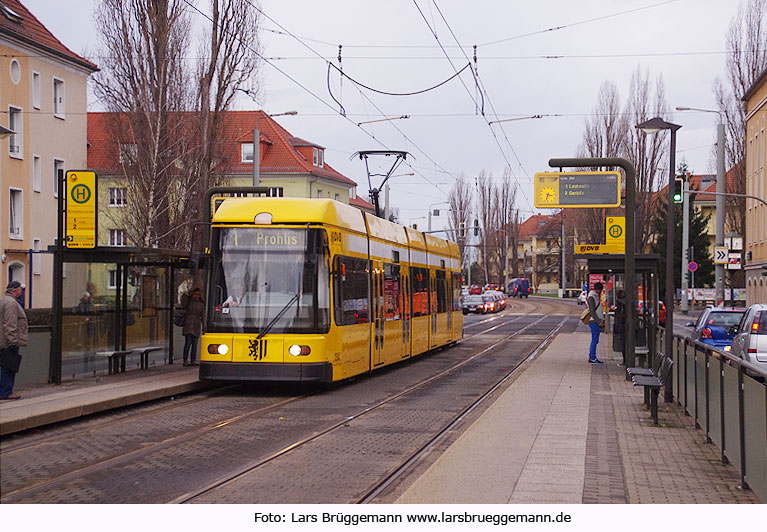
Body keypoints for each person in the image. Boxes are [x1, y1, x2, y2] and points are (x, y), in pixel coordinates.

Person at [0, 281, 28, 400]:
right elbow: (10, 323)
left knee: (4, 366)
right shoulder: (11, 303)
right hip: (8, 341)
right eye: (20, 289)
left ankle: (4, 391)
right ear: (15, 290)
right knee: (9, 366)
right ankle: (6, 392)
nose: (21, 291)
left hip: (2, 339)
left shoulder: (3, 300)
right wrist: (12, 341)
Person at [180, 288, 204, 366]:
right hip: (188, 324)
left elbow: (203, 316)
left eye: (198, 295)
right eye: (195, 294)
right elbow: (183, 300)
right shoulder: (189, 302)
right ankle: (185, 359)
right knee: (188, 343)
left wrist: (204, 328)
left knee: (194, 344)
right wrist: (188, 293)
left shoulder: (201, 304)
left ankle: (192, 360)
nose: (196, 296)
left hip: (196, 325)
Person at [587, 282, 605, 364]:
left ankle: (592, 356)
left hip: (596, 321)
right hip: (594, 322)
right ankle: (592, 357)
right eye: (601, 290)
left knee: (595, 340)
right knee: (594, 340)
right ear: (598, 290)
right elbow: (592, 311)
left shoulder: (595, 296)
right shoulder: (592, 297)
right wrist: (599, 321)